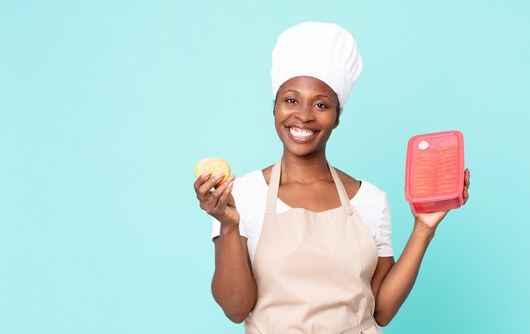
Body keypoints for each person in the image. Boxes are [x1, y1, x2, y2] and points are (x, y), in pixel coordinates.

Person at [193, 21, 470, 333]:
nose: (304, 114)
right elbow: (235, 308)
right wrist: (229, 226)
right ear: (275, 109)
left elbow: (382, 311)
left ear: (337, 116)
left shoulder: (371, 200)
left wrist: (423, 229)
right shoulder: (239, 195)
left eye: (321, 104)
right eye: (291, 100)